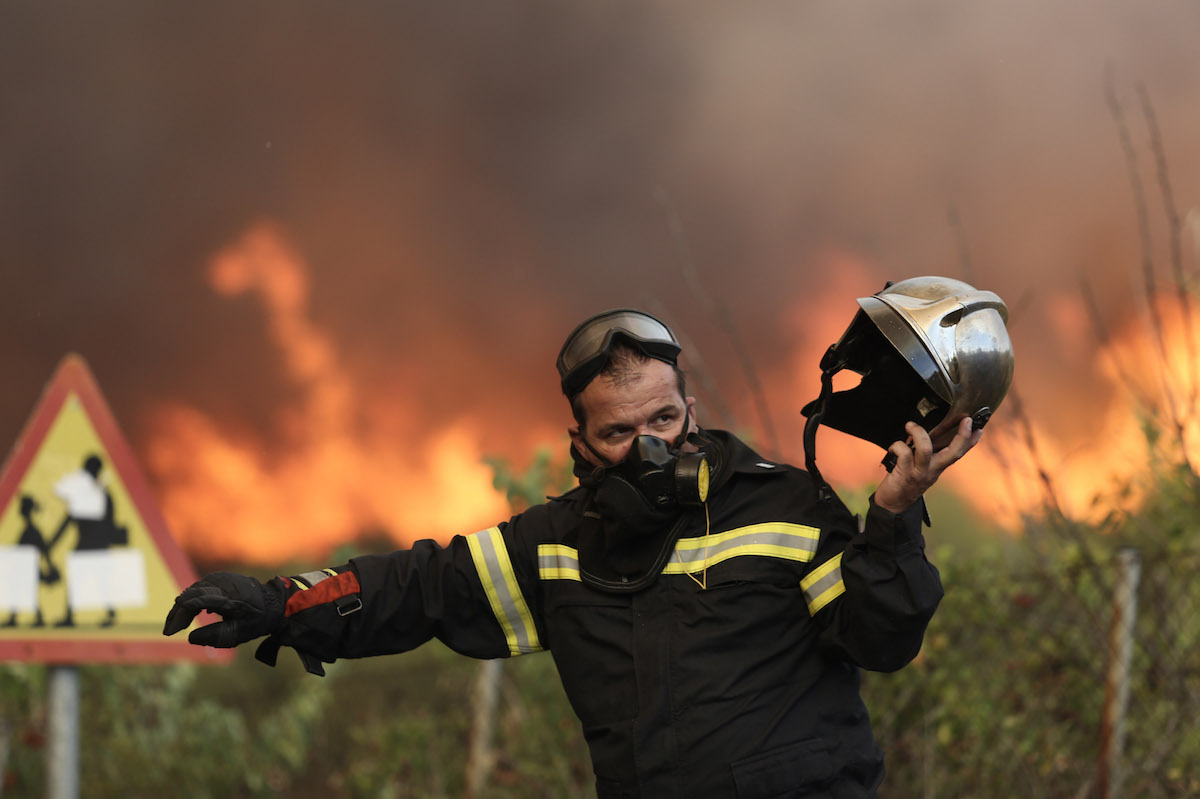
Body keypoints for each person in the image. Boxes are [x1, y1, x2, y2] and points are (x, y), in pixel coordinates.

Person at [165, 292, 1011, 798]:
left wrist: (894, 515)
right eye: (619, 432)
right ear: (578, 439)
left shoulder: (786, 506)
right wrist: (280, 603)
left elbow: (881, 636)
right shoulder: (561, 547)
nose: (648, 446)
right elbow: (418, 588)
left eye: (664, 419)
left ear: (690, 405)